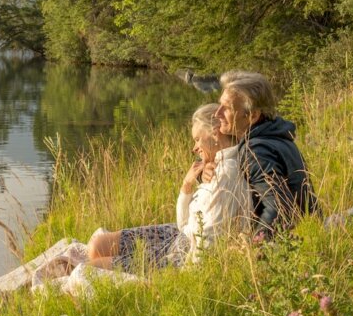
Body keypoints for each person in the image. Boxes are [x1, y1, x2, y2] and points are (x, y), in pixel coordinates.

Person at [84, 103, 248, 273]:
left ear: (215, 132)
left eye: (198, 139)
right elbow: (183, 224)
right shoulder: (213, 166)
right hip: (179, 234)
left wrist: (188, 277)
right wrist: (187, 185)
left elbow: (208, 238)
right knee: (98, 245)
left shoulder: (226, 174)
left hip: (186, 252)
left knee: (91, 269)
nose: (194, 148)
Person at [215, 71, 318, 238]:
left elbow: (279, 207)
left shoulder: (256, 152)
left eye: (226, 108)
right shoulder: (275, 136)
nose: (217, 113)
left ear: (253, 115)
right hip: (307, 231)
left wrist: (256, 246)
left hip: (290, 243)